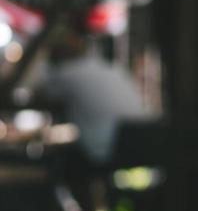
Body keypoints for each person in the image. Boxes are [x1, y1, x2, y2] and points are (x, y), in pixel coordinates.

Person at [38, 25, 153, 164]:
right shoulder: (109, 68)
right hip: (146, 139)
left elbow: (43, 94)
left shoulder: (64, 75)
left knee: (58, 160)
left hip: (110, 147)